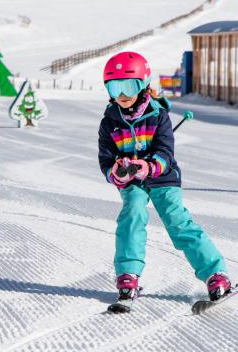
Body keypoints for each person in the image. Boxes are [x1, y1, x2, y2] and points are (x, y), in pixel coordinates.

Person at [98, 51, 231, 310]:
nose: (122, 95)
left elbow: (165, 154)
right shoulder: (109, 123)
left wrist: (149, 166)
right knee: (132, 214)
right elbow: (105, 159)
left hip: (163, 178)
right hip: (132, 183)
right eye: (115, 88)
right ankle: (128, 275)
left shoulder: (159, 116)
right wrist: (116, 172)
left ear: (143, 85)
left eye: (129, 86)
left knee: (177, 221)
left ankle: (216, 274)